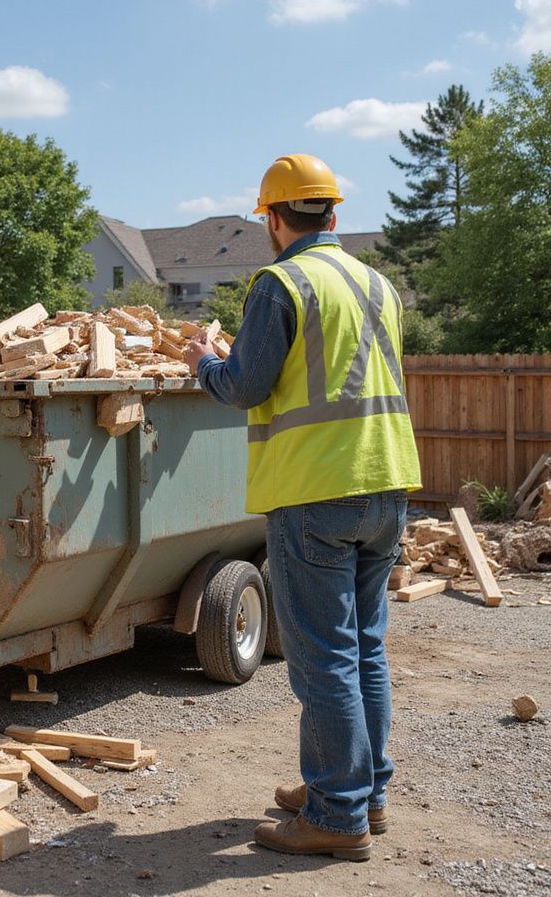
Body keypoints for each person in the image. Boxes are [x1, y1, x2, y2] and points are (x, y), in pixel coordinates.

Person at [185, 154, 421, 861]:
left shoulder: (281, 282)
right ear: (335, 215)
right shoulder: (377, 283)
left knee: (324, 661)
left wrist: (204, 361)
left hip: (315, 492)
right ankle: (362, 792)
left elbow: (247, 385)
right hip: (387, 482)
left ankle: (337, 815)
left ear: (274, 218)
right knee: (364, 650)